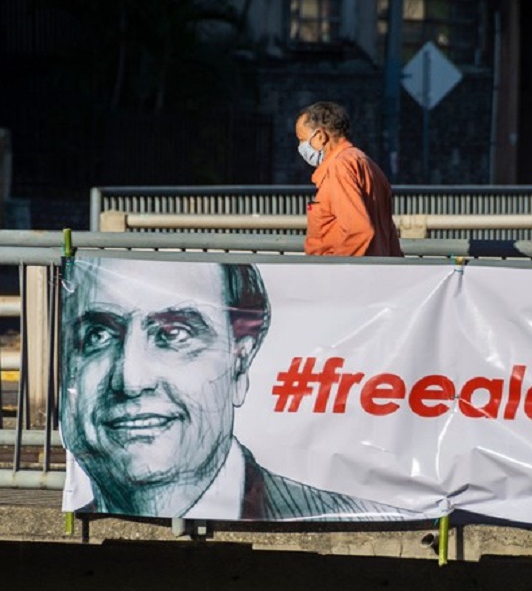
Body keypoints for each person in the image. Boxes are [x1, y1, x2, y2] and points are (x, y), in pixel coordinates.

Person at [60, 258, 411, 521]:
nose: (131, 380)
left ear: (240, 361)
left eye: (174, 334)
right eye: (98, 336)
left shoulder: (358, 521)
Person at [295, 101, 404, 257]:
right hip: (377, 266)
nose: (300, 147)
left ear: (320, 136)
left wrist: (335, 268)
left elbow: (358, 231)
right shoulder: (367, 164)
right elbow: (389, 235)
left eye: (302, 140)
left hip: (343, 269)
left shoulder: (339, 167)